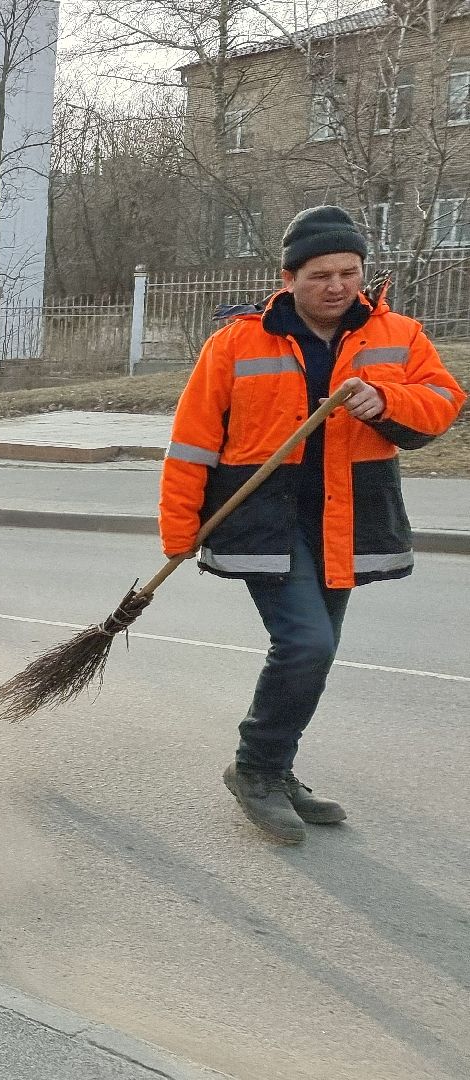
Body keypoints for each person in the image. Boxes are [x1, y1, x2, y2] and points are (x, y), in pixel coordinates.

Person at [161, 205, 465, 843]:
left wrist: (384, 400)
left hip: (349, 518)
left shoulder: (400, 336)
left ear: (363, 273)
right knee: (307, 645)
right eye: (320, 274)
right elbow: (191, 442)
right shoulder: (238, 342)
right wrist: (179, 526)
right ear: (288, 276)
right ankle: (254, 769)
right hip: (264, 520)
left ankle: (274, 768)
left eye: (349, 272)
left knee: (311, 655)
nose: (337, 286)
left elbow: (442, 405)